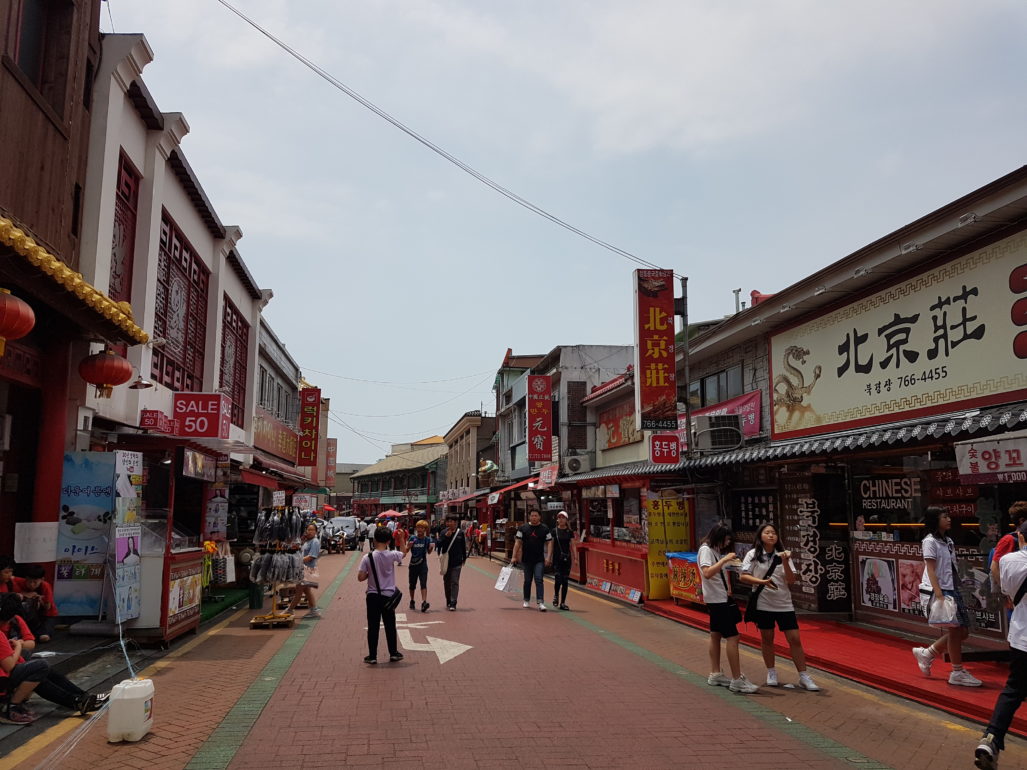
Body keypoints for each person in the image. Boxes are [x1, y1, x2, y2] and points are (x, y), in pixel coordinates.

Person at [739, 523, 819, 691]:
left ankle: (804, 676)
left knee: (794, 639)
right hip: (763, 603)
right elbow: (743, 576)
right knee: (767, 638)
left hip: (784, 603)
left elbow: (791, 580)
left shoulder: (783, 555)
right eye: (767, 533)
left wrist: (786, 560)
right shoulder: (753, 554)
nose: (771, 536)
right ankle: (771, 672)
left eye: (774, 533)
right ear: (760, 536)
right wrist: (763, 582)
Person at [0, 594, 106, 719]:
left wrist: (17, 648)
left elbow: (30, 643)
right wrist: (17, 646)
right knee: (40, 667)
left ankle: (81, 697)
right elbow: (9, 665)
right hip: (3, 680)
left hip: (7, 673)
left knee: (34, 663)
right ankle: (13, 705)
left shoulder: (15, 622)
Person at [976, 520, 1027, 768]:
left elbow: (1006, 590)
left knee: (1013, 690)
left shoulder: (1008, 561)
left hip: (1021, 637)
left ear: (1021, 537)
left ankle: (992, 738)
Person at [912, 505, 981, 686]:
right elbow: (930, 568)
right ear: (935, 520)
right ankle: (956, 671)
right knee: (956, 630)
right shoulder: (930, 541)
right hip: (942, 590)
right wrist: (939, 593)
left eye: (948, 516)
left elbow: (952, 567)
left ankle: (928, 653)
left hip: (952, 588)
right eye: (944, 516)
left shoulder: (948, 541)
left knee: (962, 631)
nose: (949, 519)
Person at [699, 524, 760, 694]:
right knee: (733, 637)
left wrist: (730, 564)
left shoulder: (715, 551)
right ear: (718, 537)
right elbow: (707, 572)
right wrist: (725, 560)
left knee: (716, 635)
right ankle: (736, 679)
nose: (727, 543)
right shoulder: (706, 550)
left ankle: (716, 673)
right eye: (726, 539)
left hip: (718, 598)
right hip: (717, 601)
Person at [357, 527, 405, 664]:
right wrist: (401, 539)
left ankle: (372, 656)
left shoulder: (368, 557)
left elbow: (360, 577)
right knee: (390, 625)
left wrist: (369, 574)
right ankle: (393, 653)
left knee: (373, 626)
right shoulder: (392, 555)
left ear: (375, 539)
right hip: (388, 596)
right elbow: (404, 552)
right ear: (389, 540)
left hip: (372, 596)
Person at [512, 510, 553, 611]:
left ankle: (541, 602)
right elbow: (517, 542)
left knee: (539, 579)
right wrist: (514, 556)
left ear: (540, 517)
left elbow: (549, 543)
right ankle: (526, 599)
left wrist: (548, 557)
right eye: (532, 516)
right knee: (527, 580)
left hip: (539, 559)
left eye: (536, 515)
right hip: (526, 559)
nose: (534, 517)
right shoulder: (523, 528)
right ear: (529, 517)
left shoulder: (545, 529)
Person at [14, 565, 58, 642]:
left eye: (35, 582)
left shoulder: (45, 586)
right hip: (29, 616)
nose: (31, 584)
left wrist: (39, 599)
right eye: (29, 581)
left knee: (44, 637)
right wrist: (25, 594)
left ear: (42, 579)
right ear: (26, 578)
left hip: (47, 616)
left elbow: (47, 607)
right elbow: (11, 577)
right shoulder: (20, 581)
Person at [990, 502, 1027, 591]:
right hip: (1014, 592)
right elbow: (994, 567)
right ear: (1021, 520)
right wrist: (1006, 589)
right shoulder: (1008, 539)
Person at [287, 524, 321, 619]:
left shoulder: (315, 542)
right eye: (308, 529)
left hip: (308, 570)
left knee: (299, 591)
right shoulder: (307, 541)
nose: (309, 531)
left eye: (312, 530)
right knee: (306, 591)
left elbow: (311, 557)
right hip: (303, 569)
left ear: (316, 531)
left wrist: (297, 561)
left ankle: (289, 610)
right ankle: (314, 610)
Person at [437, 514, 467, 611]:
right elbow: (439, 545)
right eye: (448, 521)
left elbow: (463, 546)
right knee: (447, 582)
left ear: (455, 522)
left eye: (451, 521)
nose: (449, 523)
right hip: (446, 562)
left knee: (454, 582)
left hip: (457, 561)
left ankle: (453, 602)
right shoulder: (443, 532)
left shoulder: (460, 533)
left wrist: (464, 558)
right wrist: (445, 537)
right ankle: (448, 600)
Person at [404, 520, 434, 613]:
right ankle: (412, 600)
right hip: (413, 564)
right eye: (418, 527)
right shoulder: (413, 538)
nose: (420, 529)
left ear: (425, 529)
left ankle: (424, 602)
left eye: (422, 528)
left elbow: (428, 552)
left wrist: (431, 548)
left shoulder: (427, 539)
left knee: (423, 583)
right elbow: (406, 551)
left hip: (423, 565)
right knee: (412, 584)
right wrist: (408, 546)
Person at [551, 512, 576, 611]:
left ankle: (562, 603)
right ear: (557, 520)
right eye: (559, 518)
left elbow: (573, 545)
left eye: (563, 518)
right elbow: (551, 545)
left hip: (567, 558)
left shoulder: (569, 532)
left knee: (565, 581)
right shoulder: (554, 531)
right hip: (557, 558)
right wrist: (549, 557)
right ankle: (556, 595)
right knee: (558, 579)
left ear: (566, 520)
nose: (561, 520)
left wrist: (576, 558)